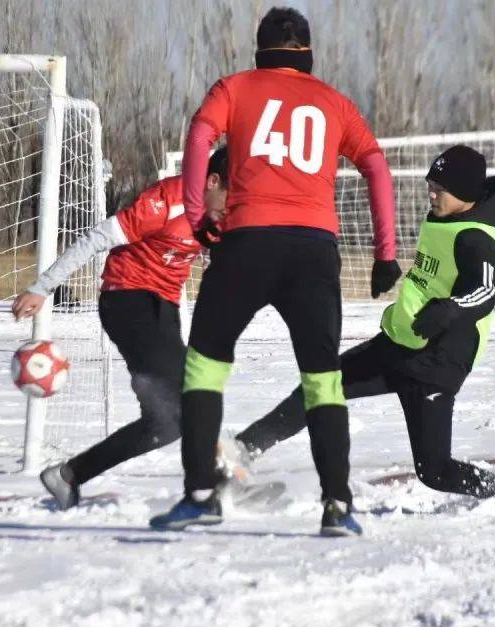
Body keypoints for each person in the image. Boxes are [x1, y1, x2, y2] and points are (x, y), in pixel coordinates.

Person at [150, 6, 400, 536]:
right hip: (314, 250)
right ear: (307, 53)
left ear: (259, 48)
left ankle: (199, 495)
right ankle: (337, 506)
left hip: (247, 243)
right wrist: (385, 254)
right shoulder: (333, 101)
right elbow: (376, 165)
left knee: (204, 368)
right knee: (322, 379)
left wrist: (197, 217)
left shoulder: (235, 87)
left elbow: (200, 137)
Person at [219, 145, 495, 515]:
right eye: (431, 185)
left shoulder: (478, 237)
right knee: (323, 385)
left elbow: (484, 292)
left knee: (434, 471)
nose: (431, 194)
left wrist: (447, 310)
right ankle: (245, 449)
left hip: (436, 365)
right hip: (398, 343)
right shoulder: (441, 218)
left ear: (465, 194)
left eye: (439, 189)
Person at [11, 149, 230, 508]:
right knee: (187, 397)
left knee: (164, 425)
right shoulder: (164, 202)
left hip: (164, 309)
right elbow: (96, 239)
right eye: (231, 195)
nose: (233, 206)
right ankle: (216, 482)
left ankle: (68, 475)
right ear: (212, 181)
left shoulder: (222, 215)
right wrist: (42, 286)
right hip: (126, 301)